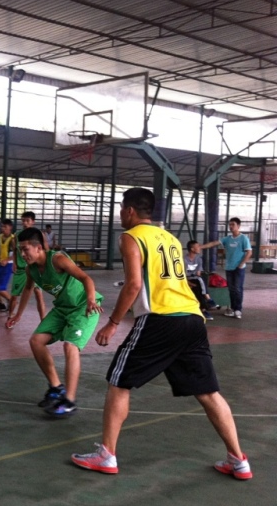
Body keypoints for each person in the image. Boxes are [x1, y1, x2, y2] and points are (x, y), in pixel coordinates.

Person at [72, 188, 252, 480]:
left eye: (121, 208)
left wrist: (113, 323)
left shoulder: (131, 237)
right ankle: (238, 460)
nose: (120, 213)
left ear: (130, 210)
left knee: (119, 382)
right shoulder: (169, 238)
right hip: (193, 319)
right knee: (208, 392)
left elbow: (133, 284)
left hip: (160, 319)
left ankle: (106, 455)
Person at [5, 227, 103, 417]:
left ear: (39, 248)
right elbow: (27, 290)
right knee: (36, 341)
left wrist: (91, 299)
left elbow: (85, 278)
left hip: (83, 306)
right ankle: (57, 387)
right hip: (62, 308)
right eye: (20, 250)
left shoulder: (57, 259)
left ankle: (69, 401)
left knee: (70, 346)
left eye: (25, 249)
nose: (22, 254)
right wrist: (17, 315)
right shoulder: (31, 269)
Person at [199, 218, 252, 319]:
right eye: (230, 224)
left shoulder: (243, 238)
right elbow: (214, 243)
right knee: (231, 289)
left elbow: (249, 252)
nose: (231, 226)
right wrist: (201, 247)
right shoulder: (227, 239)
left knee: (238, 289)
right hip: (229, 268)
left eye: (233, 224)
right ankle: (233, 308)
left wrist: (241, 264)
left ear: (238, 226)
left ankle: (238, 310)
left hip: (239, 268)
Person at [7, 211, 47, 320]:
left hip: (34, 269)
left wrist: (44, 267)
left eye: (27, 220)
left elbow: (46, 250)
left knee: (38, 294)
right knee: (14, 296)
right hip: (21, 269)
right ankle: (10, 316)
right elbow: (15, 250)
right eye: (23, 220)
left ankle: (43, 320)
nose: (25, 223)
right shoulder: (17, 235)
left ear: (33, 222)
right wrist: (15, 263)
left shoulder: (38, 235)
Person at [185, 240, 219, 320]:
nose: (199, 247)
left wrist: (194, 282)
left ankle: (203, 310)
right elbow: (182, 276)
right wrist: (189, 283)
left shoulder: (198, 259)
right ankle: (208, 301)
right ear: (192, 249)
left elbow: (198, 273)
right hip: (186, 279)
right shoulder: (184, 260)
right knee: (198, 283)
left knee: (198, 284)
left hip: (195, 279)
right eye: (197, 246)